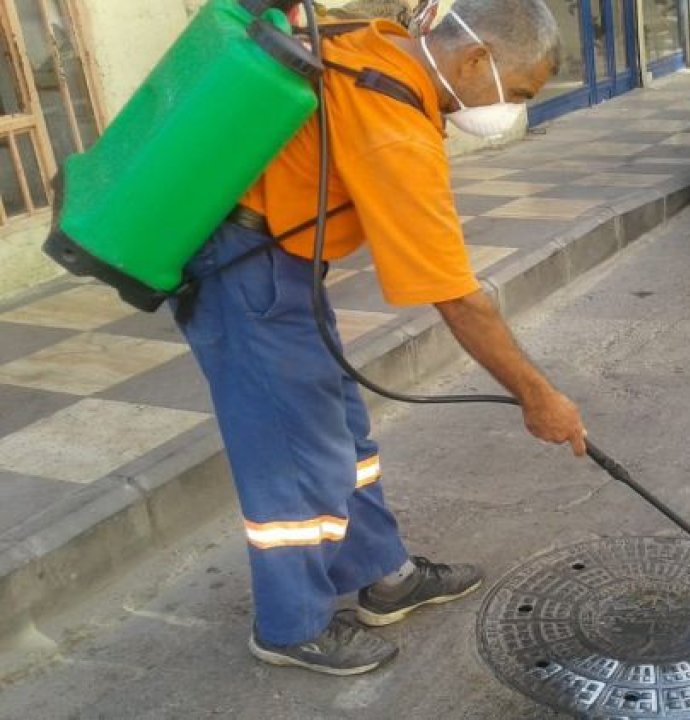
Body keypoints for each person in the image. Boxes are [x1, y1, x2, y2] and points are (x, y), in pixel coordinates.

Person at [173, 0, 585, 676]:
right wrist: (538, 396)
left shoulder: (384, 46)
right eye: (519, 93)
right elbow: (459, 299)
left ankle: (382, 575)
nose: (514, 110)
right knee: (292, 454)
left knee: (341, 431)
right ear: (475, 59)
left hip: (279, 258)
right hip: (244, 271)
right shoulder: (394, 127)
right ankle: (291, 625)